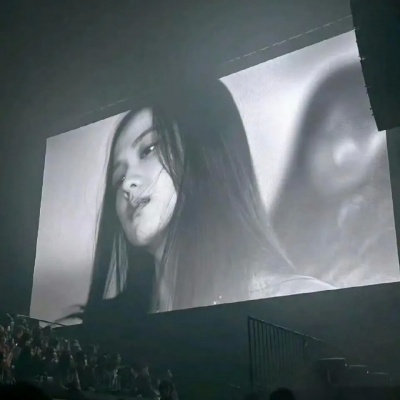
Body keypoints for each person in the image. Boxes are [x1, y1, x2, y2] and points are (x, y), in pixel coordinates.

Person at [84, 78, 333, 321]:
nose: (127, 183)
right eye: (118, 177)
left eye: (149, 149)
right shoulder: (108, 327)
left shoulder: (302, 303)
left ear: (201, 152)